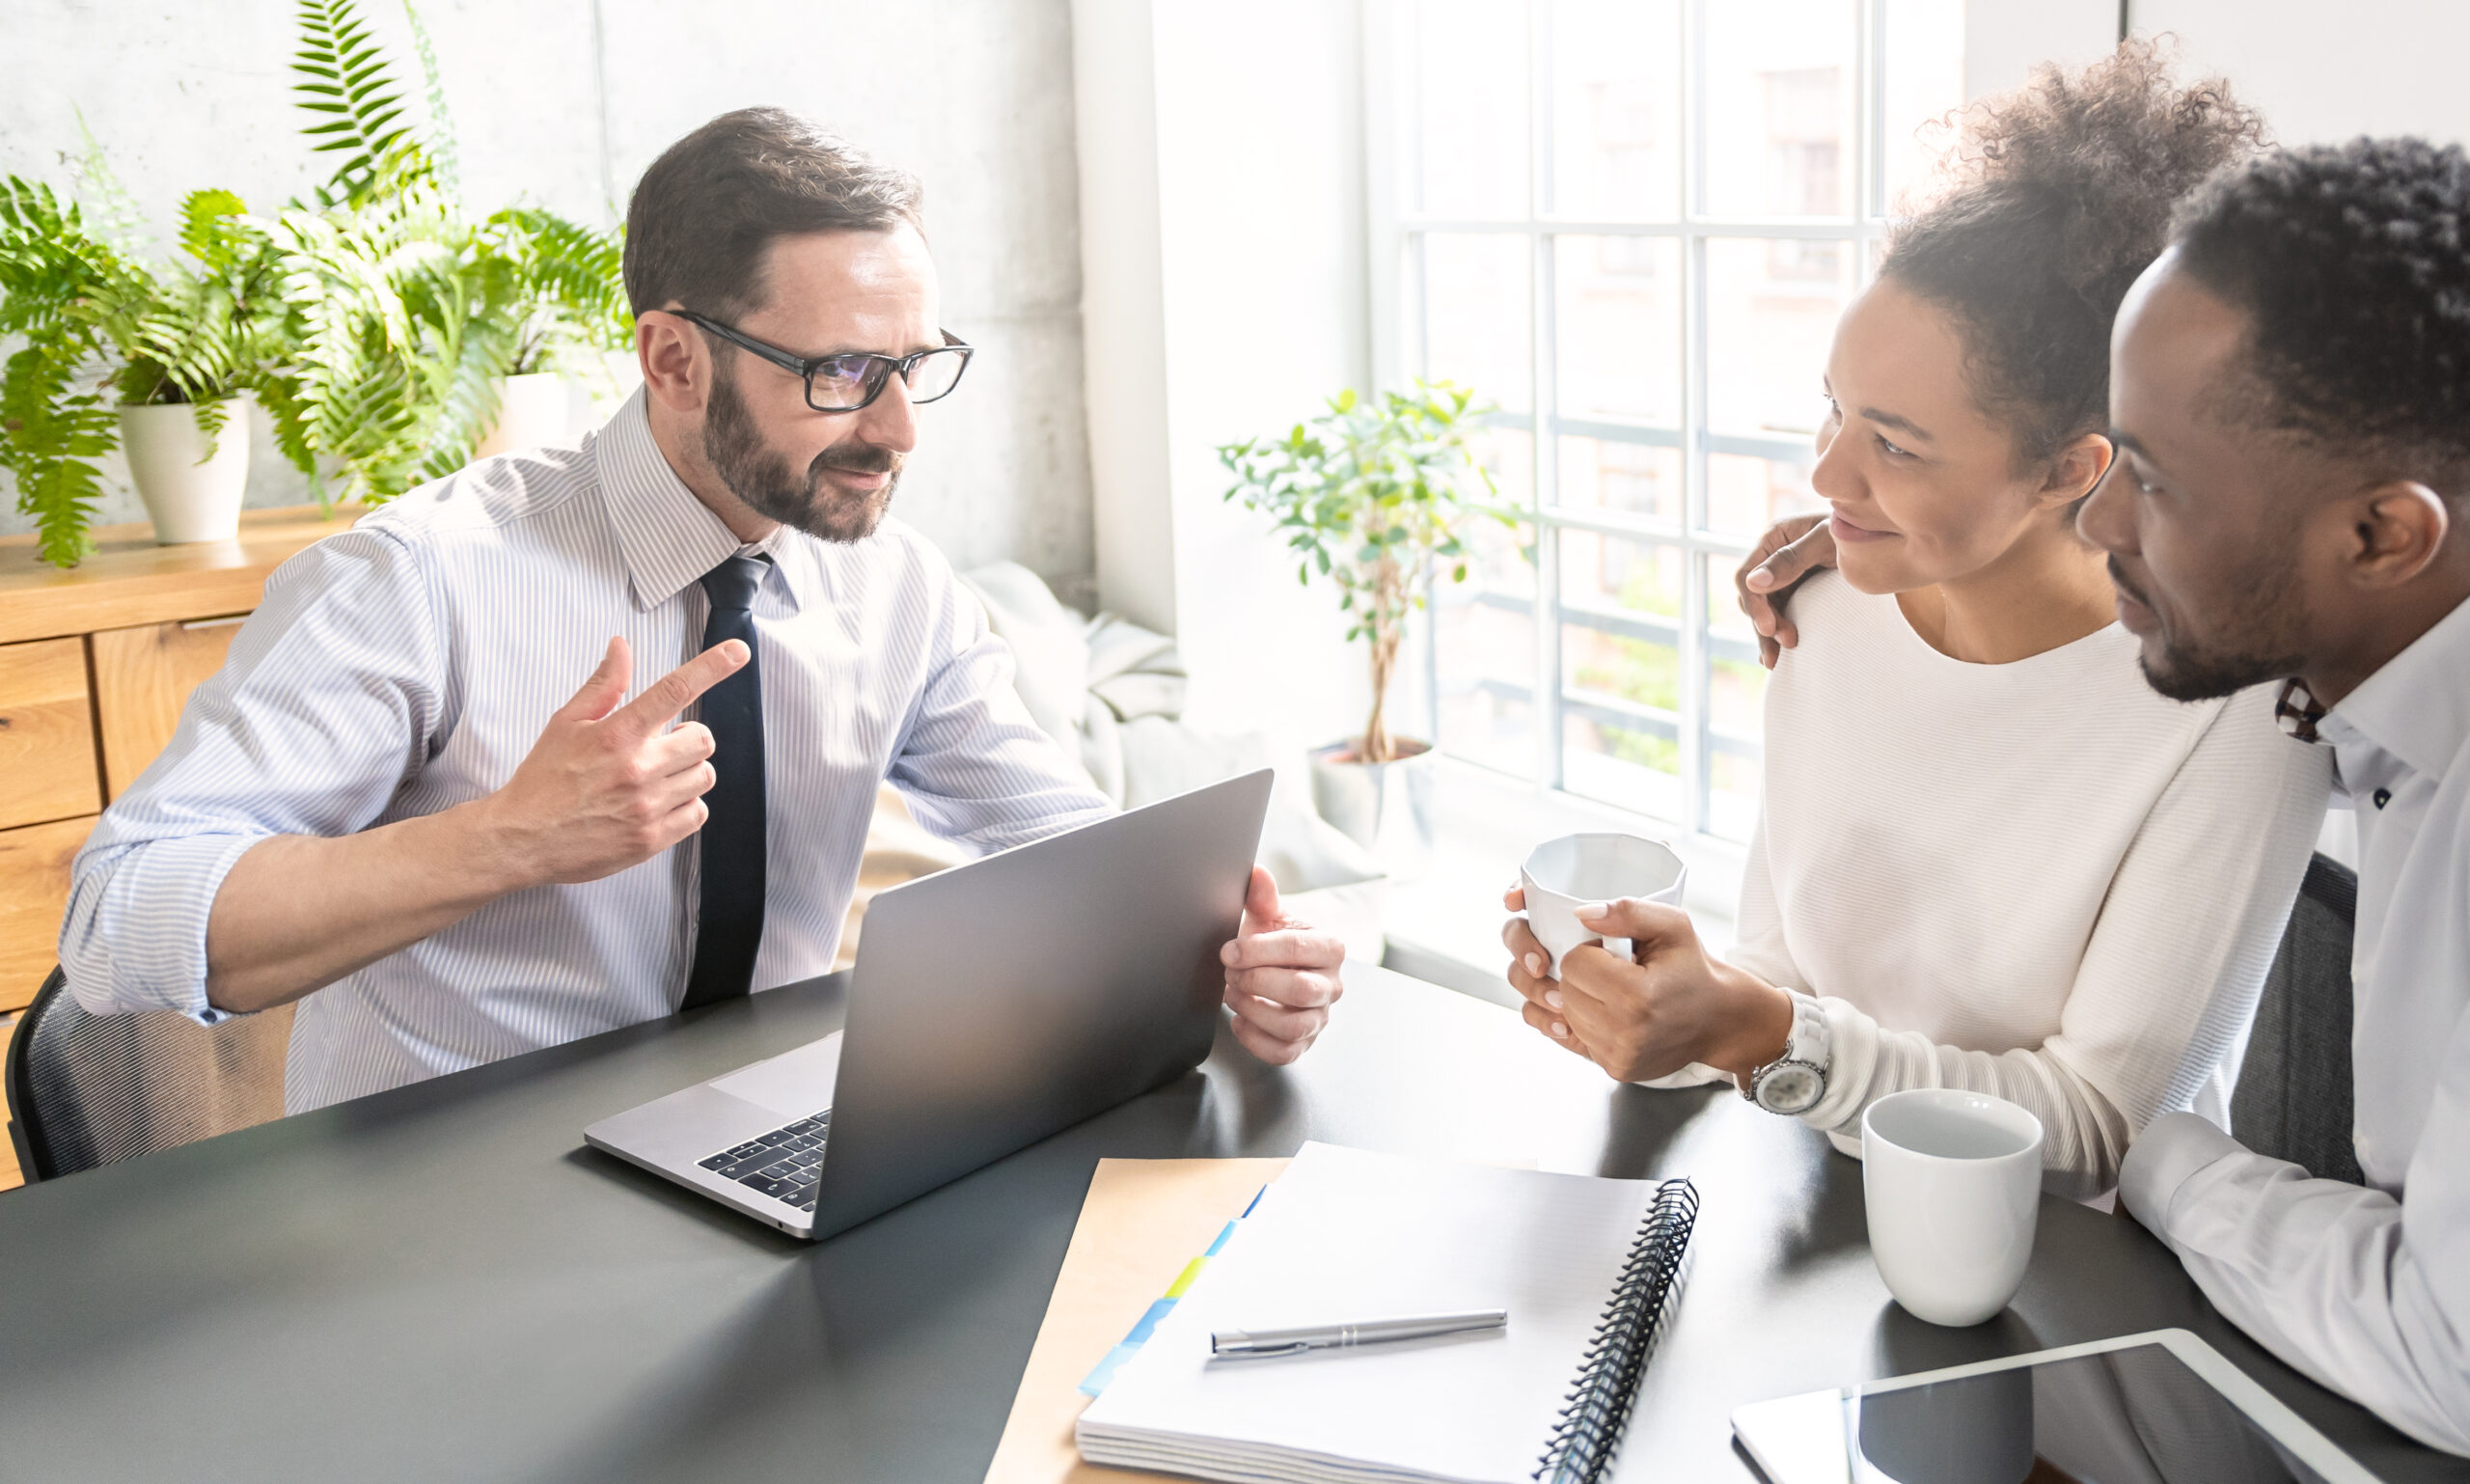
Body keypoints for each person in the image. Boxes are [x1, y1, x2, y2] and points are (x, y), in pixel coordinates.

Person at [60, 108, 1344, 1112]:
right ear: (674, 358)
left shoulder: (895, 590)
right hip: (448, 1206)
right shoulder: (422, 578)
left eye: (916, 367)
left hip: (766, 1139)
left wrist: (1230, 958)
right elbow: (120, 921)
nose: (897, 429)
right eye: (844, 372)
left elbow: (1081, 860)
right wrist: (508, 839)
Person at [1499, 47, 2328, 1199]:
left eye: (1894, 444)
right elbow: (1789, 970)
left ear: (2067, 470)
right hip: (1812, 1216)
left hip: (2069, 1283)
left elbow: (2103, 1123)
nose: (1826, 472)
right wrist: (1656, 1011)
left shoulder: (2237, 708)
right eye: (1832, 409)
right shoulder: (1827, 606)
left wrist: (1759, 1033)